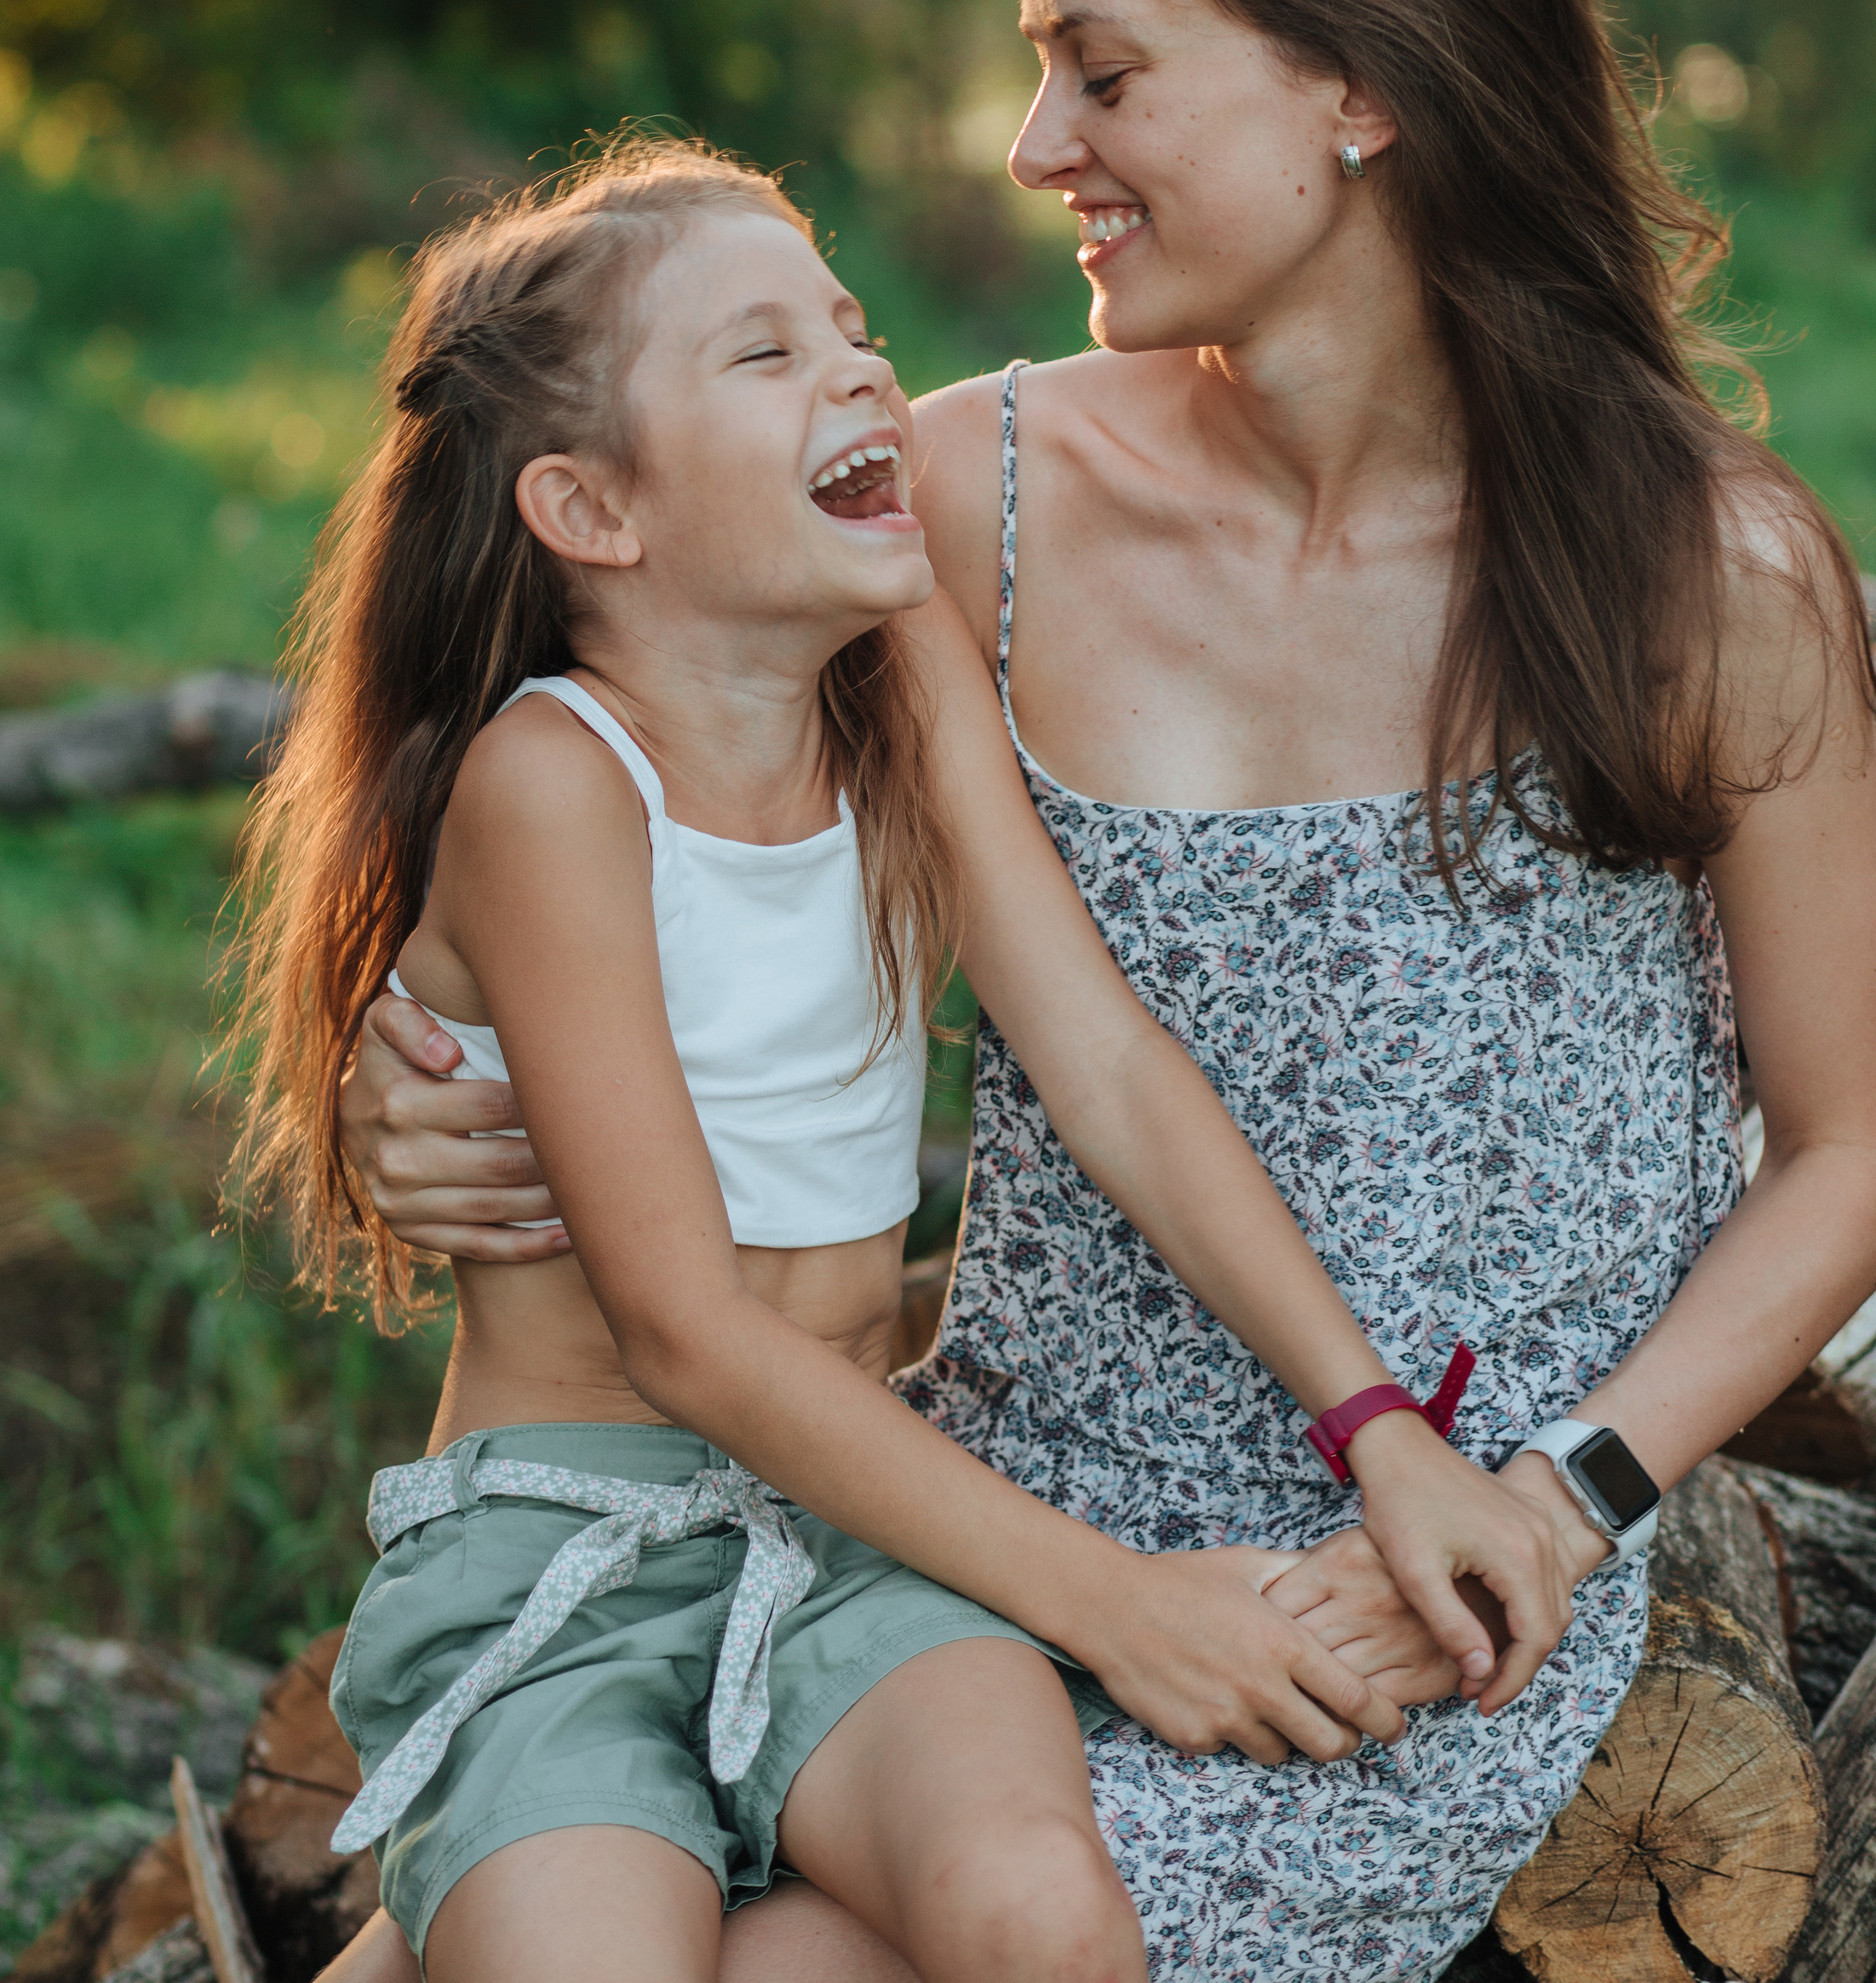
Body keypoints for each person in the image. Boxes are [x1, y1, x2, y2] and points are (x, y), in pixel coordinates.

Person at [339, 0, 1876, 1981]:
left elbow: (1851, 1147)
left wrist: (1573, 1500)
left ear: (1356, 87)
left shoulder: (1701, 575)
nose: (1035, 138)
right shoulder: (960, 505)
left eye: (1105, 71)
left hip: (1423, 1587)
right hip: (943, 1535)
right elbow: (600, 723)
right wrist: (417, 1056)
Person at [232, 130, 1572, 1983]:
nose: (860, 368)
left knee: (1040, 1921)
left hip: (854, 1535)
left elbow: (1101, 1059)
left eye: (847, 322)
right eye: (763, 354)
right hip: (573, 1560)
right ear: (592, 512)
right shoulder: (551, 786)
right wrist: (1116, 1611)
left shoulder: (892, 672)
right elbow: (686, 1335)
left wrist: (1370, 1421)